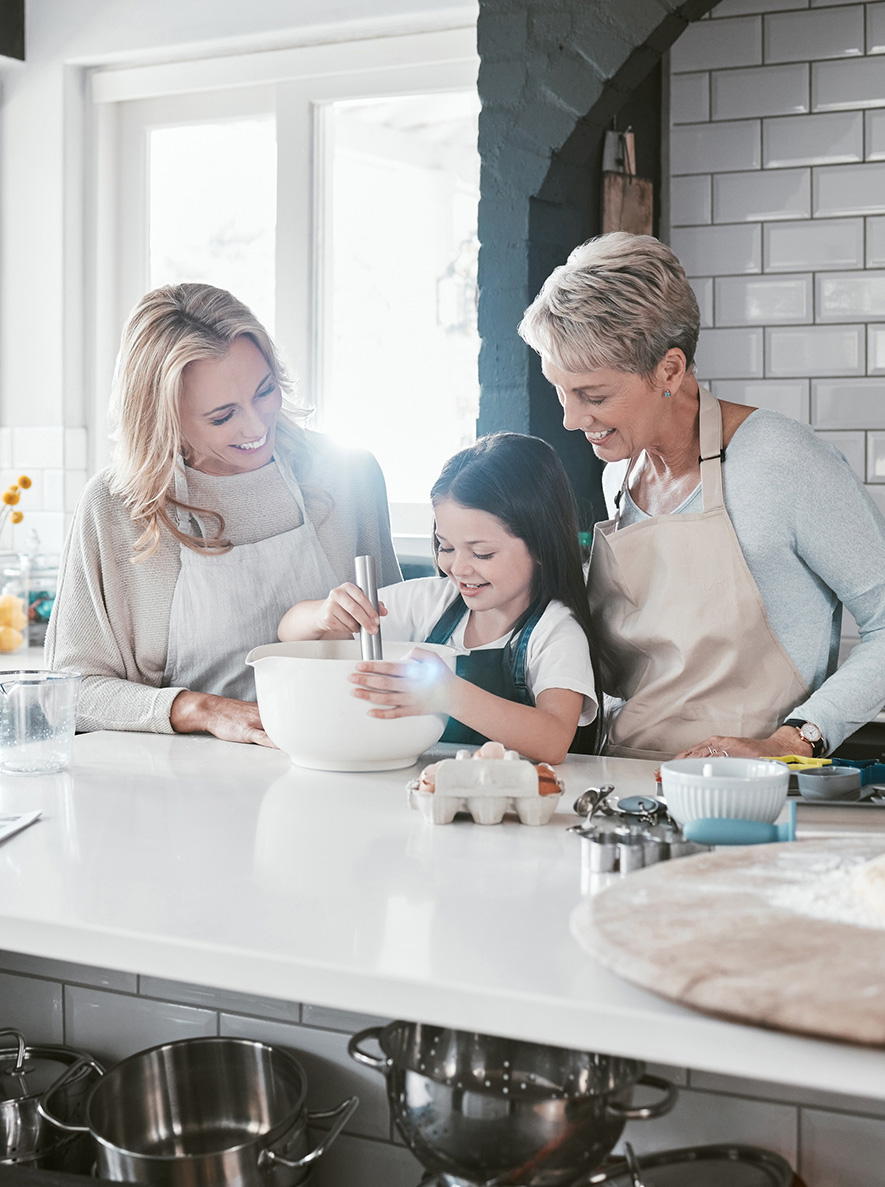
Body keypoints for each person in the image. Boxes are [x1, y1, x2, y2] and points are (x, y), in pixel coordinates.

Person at [518, 231, 885, 762]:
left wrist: (793, 740)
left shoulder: (780, 461)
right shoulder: (619, 475)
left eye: (593, 396)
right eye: (561, 390)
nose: (571, 419)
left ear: (669, 369)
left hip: (751, 793)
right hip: (622, 779)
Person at [46, 283, 400, 746]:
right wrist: (199, 708)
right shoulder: (117, 505)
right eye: (222, 416)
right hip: (180, 787)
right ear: (164, 416)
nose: (256, 426)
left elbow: (403, 638)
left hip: (338, 757)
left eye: (265, 391)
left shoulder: (348, 475)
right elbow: (69, 693)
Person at [279, 433, 598, 764]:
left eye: (482, 553)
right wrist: (323, 614)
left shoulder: (556, 630)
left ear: (542, 547)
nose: (457, 568)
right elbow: (291, 632)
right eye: (445, 547)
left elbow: (554, 740)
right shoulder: (431, 601)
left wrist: (449, 694)